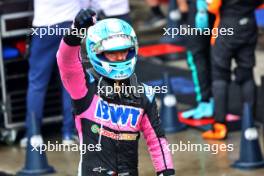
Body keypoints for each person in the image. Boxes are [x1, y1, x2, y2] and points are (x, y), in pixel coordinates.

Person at [57, 9, 175, 176]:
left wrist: (166, 172)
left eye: (124, 50)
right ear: (98, 53)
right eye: (112, 52)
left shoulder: (144, 94)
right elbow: (65, 62)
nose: (120, 57)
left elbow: (157, 141)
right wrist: (76, 31)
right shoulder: (84, 87)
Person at [20, 0, 82, 147]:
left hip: (45, 26)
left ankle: (33, 135)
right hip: (70, 25)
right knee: (69, 82)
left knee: (37, 83)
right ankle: (69, 133)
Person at [202, 0, 264, 140]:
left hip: (226, 27)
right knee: (247, 73)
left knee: (220, 76)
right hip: (249, 25)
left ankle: (220, 127)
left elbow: (212, 6)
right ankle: (249, 123)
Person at [177, 0, 214, 119]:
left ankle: (205, 102)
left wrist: (183, 10)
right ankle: (214, 100)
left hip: (200, 10)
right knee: (211, 55)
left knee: (197, 57)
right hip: (219, 10)